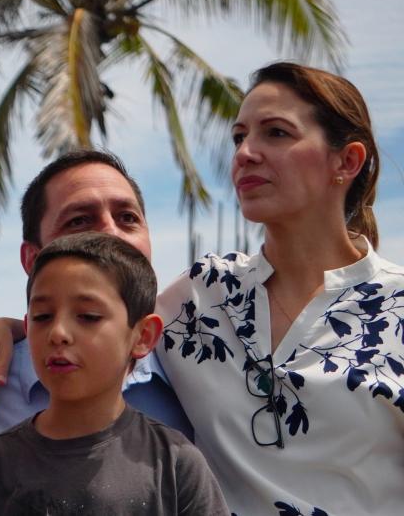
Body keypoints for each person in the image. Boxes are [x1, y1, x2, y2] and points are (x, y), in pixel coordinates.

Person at [156, 62, 404, 515]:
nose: (245, 153)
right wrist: (8, 328)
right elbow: (104, 330)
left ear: (346, 161)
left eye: (276, 133)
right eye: (238, 137)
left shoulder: (398, 308)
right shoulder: (199, 295)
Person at [0, 150, 193, 516]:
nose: (111, 233)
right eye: (80, 221)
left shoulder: (192, 375)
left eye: (127, 218)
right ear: (32, 260)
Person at [0, 232, 228, 515]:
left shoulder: (175, 465)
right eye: (43, 316)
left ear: (143, 336)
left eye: (88, 317)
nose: (58, 333)